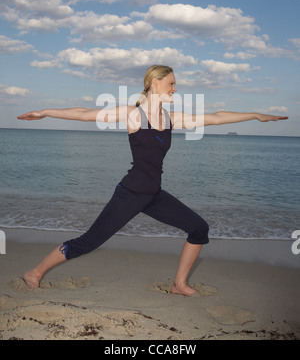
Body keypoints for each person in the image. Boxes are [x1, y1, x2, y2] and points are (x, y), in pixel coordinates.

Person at [17, 65, 288, 296]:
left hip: (153, 195)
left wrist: (254, 114)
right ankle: (35, 272)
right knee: (88, 242)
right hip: (131, 193)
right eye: (171, 84)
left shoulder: (170, 119)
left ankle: (179, 284)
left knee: (199, 229)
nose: (174, 89)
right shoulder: (134, 114)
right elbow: (85, 113)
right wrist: (45, 112)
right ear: (155, 83)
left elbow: (216, 118)